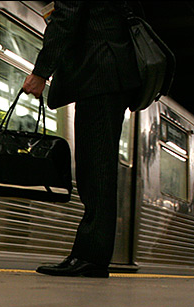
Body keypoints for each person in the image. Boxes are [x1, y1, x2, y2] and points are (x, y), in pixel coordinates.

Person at [22, 2, 141, 277]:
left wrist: (41, 72)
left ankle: (91, 256)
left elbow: (66, 17)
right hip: (110, 73)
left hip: (99, 74)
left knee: (95, 167)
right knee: (96, 167)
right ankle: (91, 254)